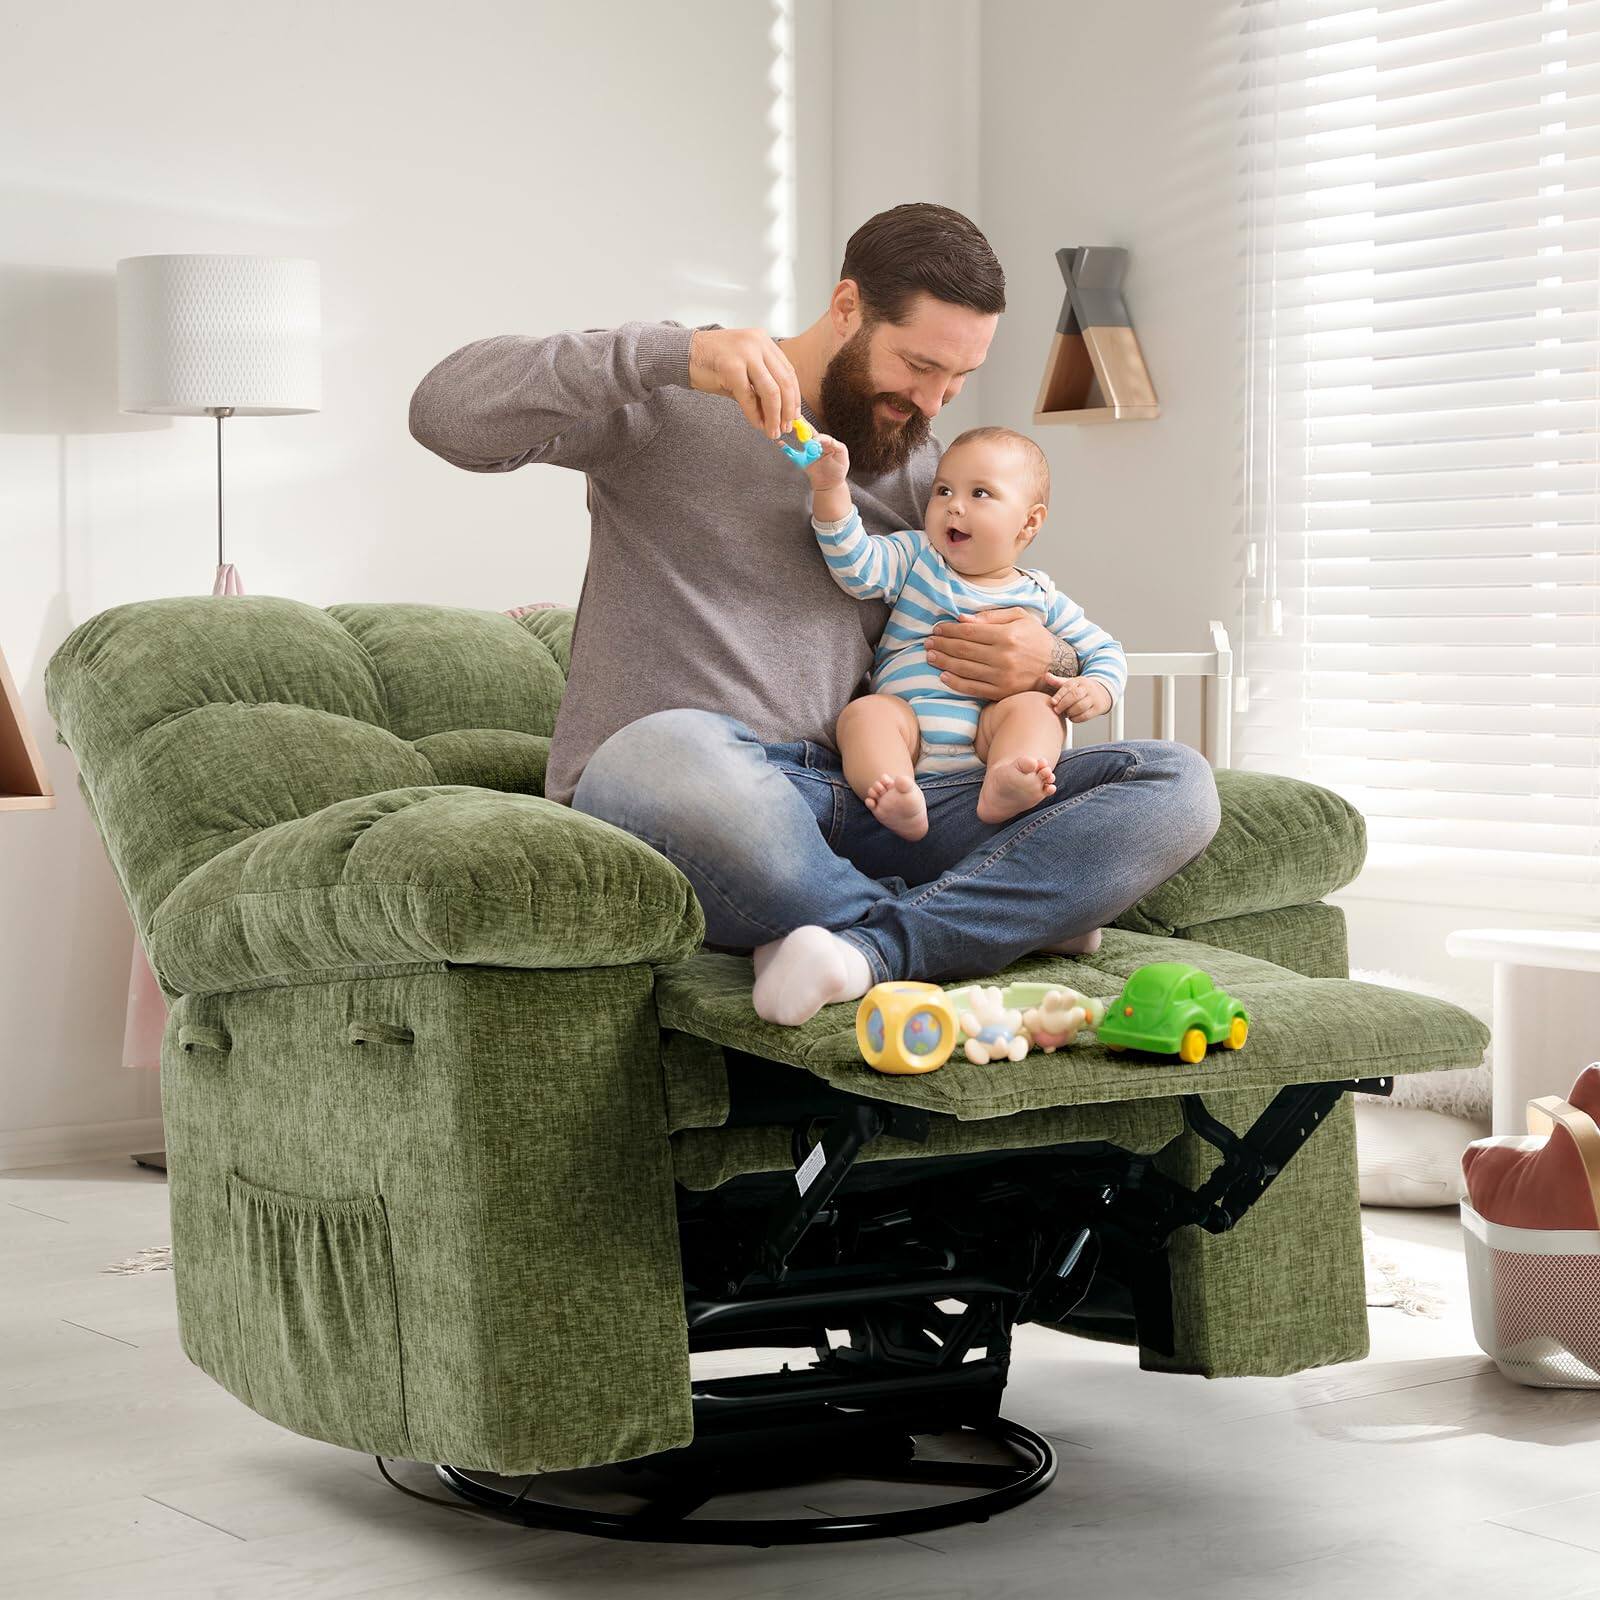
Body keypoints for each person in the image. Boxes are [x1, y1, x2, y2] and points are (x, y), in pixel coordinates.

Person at [408, 202, 1221, 1026]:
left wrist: (1048, 659)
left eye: (958, 381)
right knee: (664, 746)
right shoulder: (674, 400)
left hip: (870, 794)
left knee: (1175, 784)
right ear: (846, 308)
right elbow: (443, 414)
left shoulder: (925, 471)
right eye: (917, 365)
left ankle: (866, 948)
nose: (933, 402)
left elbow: (1015, 603)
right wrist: (674, 352)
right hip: (695, 791)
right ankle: (977, 923)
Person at [802, 423, 1126, 842]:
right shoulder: (917, 556)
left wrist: (1097, 689)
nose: (954, 506)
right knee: (864, 714)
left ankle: (1009, 777)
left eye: (979, 494)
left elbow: (1105, 649)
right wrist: (830, 489)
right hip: (908, 730)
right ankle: (892, 790)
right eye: (943, 491)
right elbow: (856, 566)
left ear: (1028, 523)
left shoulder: (1040, 597)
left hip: (987, 739)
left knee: (1037, 711)